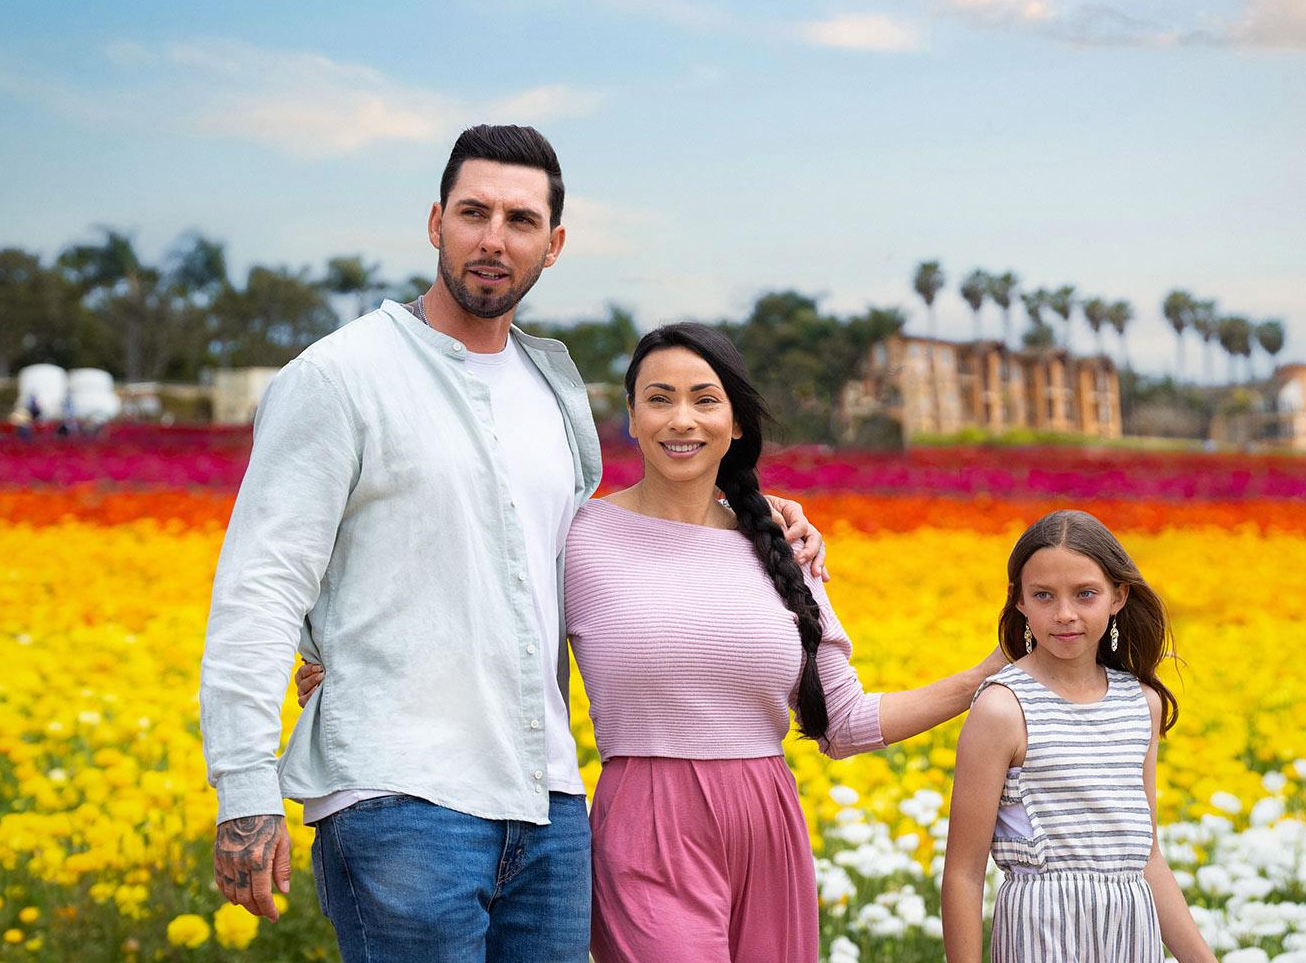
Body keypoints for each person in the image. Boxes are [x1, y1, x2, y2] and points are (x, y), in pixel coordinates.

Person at [201, 124, 824, 963]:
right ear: (435, 223)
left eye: (521, 220)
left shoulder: (553, 388)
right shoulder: (340, 377)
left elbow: (584, 549)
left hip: (551, 807)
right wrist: (245, 790)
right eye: (474, 212)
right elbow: (260, 584)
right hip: (399, 796)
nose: (495, 239)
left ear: (553, 244)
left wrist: (750, 513)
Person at [305, 323, 1003, 961]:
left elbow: (845, 723)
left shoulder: (783, 547)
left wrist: (993, 674)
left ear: (734, 422)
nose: (682, 420)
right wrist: (350, 666)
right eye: (660, 399)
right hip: (646, 825)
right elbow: (482, 623)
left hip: (769, 824)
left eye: (705, 400)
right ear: (631, 418)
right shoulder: (577, 538)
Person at [941, 510, 1218, 963]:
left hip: (1131, 938)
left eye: (1085, 594)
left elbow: (1146, 859)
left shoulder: (1139, 704)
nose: (1064, 614)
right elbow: (963, 875)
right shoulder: (1003, 708)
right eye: (1044, 596)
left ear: (1118, 596)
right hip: (1042, 938)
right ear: (1019, 601)